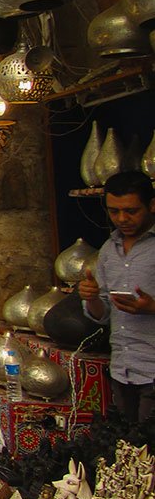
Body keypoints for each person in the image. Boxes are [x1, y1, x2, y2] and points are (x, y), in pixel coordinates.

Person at [79, 170, 155, 424]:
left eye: (131, 211)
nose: (122, 218)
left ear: (151, 205)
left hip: (153, 370)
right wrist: (91, 299)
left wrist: (152, 307)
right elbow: (104, 315)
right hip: (122, 367)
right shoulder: (108, 250)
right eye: (114, 211)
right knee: (125, 450)